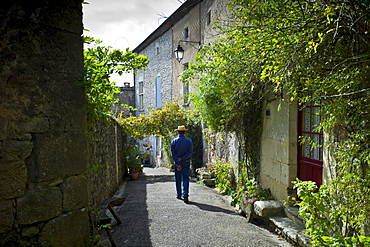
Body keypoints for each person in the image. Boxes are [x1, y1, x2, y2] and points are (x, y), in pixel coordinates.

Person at [171, 125, 193, 204]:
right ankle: (185, 195)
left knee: (178, 178)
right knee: (186, 178)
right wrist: (183, 158)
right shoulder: (189, 141)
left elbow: (173, 154)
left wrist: (177, 161)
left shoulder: (174, 141)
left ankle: (179, 194)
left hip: (177, 162)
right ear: (184, 132)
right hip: (186, 161)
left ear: (177, 132)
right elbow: (190, 152)